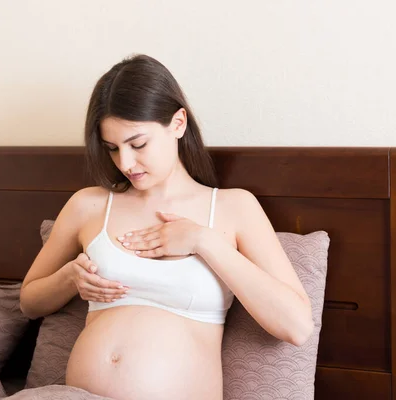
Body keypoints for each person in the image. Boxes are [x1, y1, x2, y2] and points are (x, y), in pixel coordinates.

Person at [20, 54, 313, 400]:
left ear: (177, 123)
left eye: (138, 144)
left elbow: (296, 326)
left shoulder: (234, 207)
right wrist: (69, 278)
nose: (125, 163)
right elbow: (29, 302)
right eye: (112, 148)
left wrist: (203, 241)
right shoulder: (89, 204)